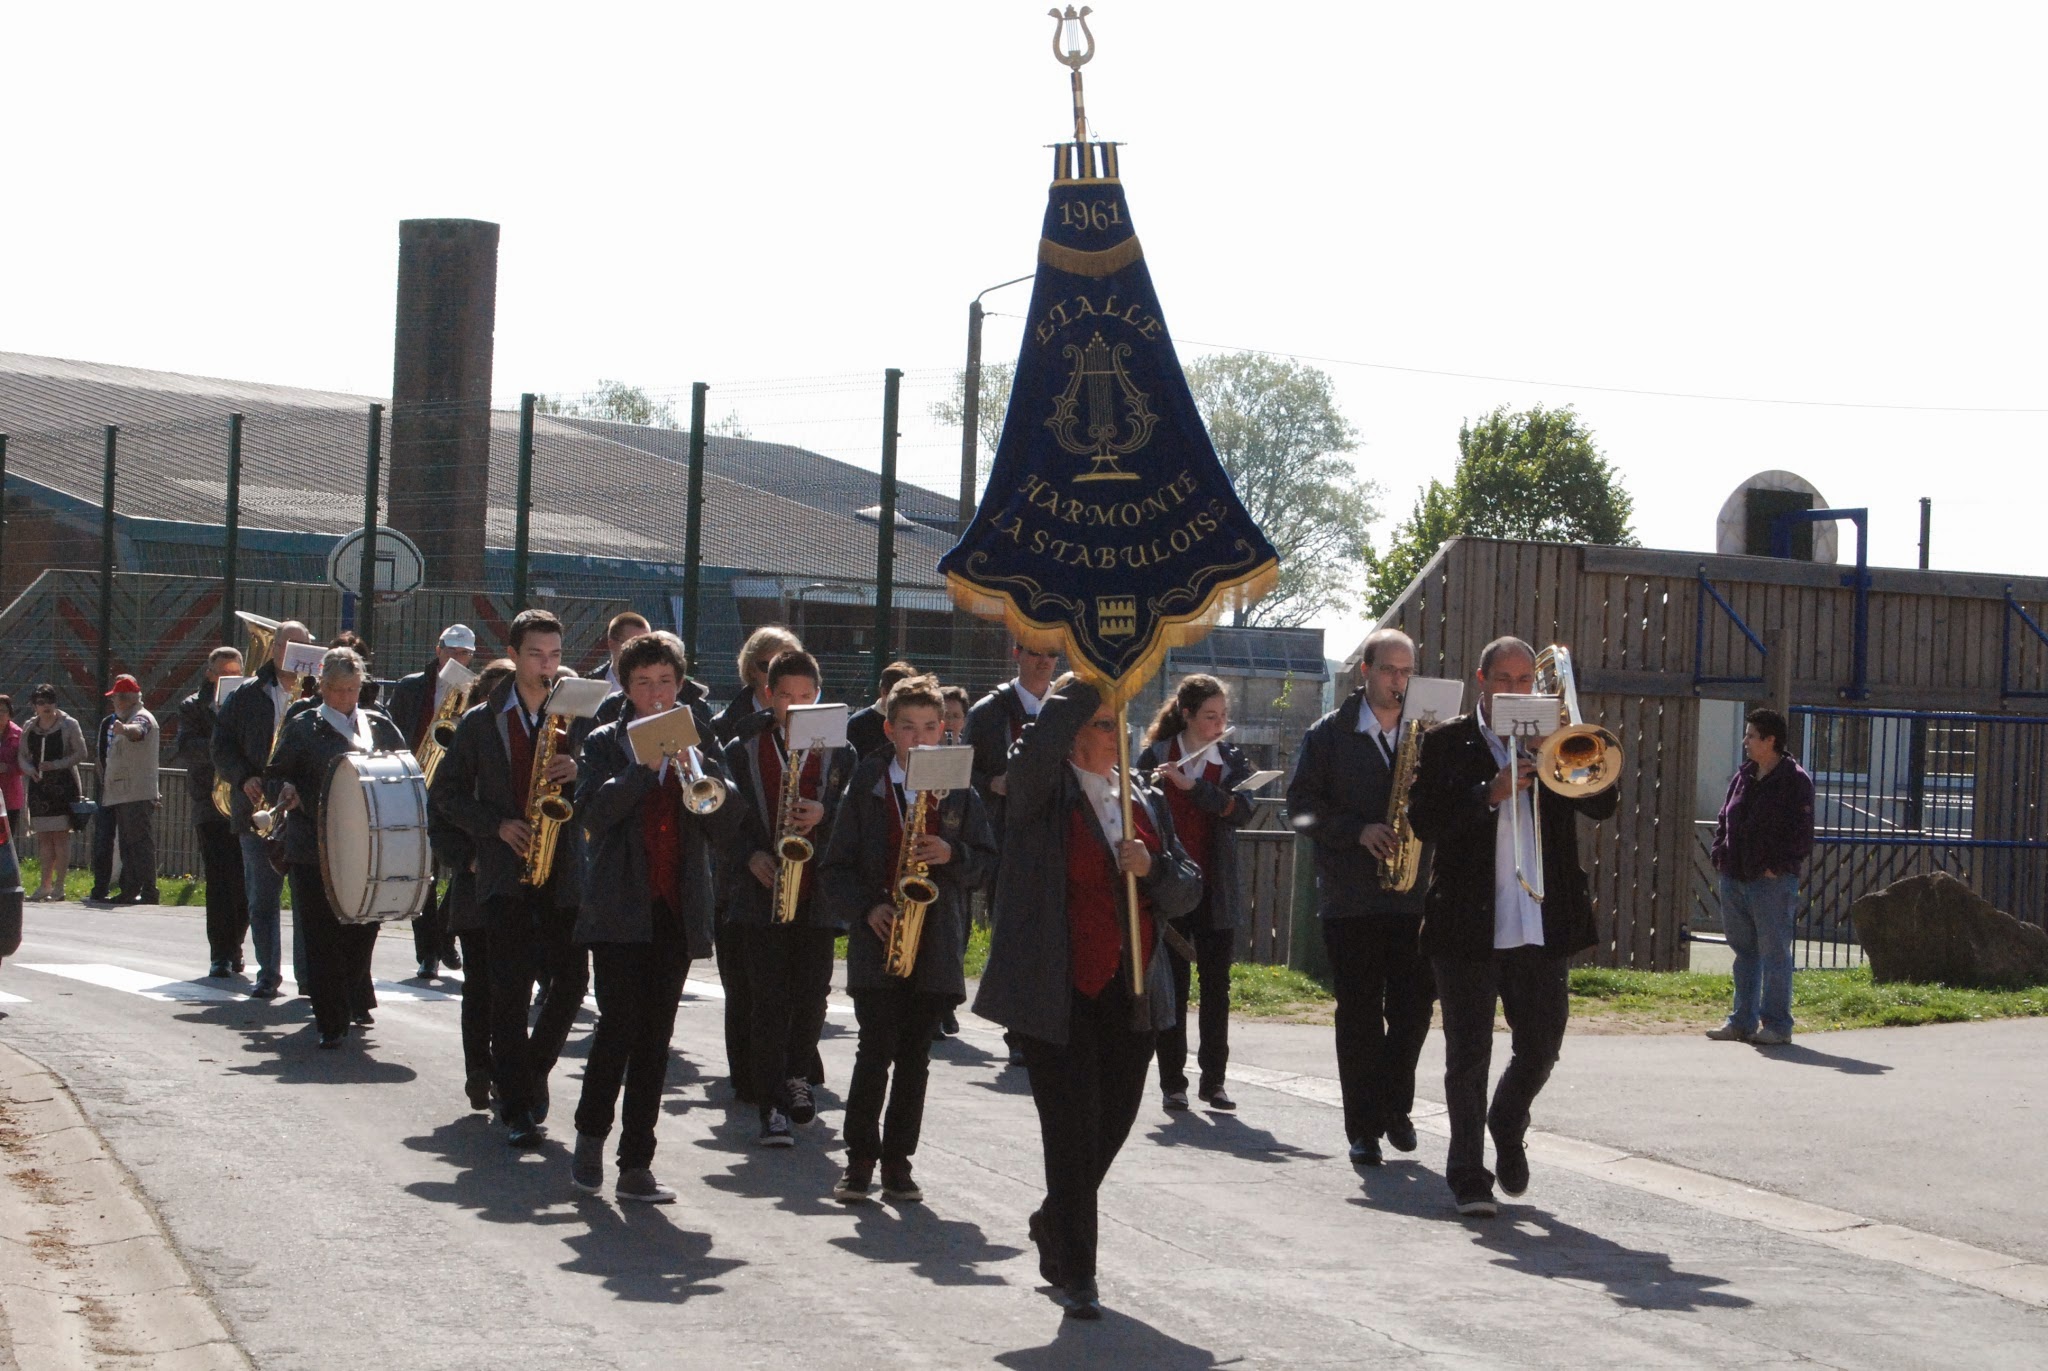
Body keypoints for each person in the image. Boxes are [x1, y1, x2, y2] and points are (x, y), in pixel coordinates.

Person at [972, 675, 1201, 1319]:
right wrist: (1095, 668)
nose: (1119, 734)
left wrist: (1152, 869)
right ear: (1073, 738)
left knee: (1115, 1120)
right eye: (1104, 724)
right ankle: (1081, 1273)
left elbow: (1188, 887)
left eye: (1120, 723)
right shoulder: (1042, 794)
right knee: (1070, 1134)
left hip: (1132, 990)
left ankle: (1055, 1217)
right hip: (1059, 990)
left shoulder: (1144, 800)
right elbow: (1036, 748)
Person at [1407, 636, 1618, 1218]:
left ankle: (1507, 1119)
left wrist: (1569, 750)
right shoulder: (1447, 741)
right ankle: (1466, 1173)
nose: (1516, 690)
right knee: (1467, 1055)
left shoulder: (1555, 741)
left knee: (1543, 1044)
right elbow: (1423, 819)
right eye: (1505, 679)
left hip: (1541, 922)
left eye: (1526, 680)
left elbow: (1603, 804)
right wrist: (1489, 793)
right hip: (1467, 925)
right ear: (1482, 680)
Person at [569, 631, 743, 1203]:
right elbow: (594, 813)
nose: (656, 693)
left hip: (674, 908)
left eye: (666, 682)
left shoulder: (698, 733)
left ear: (679, 683)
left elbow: (725, 819)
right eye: (643, 683)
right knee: (618, 1027)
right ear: (626, 687)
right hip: (620, 908)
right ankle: (591, 1136)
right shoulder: (602, 741)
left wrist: (702, 772)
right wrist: (644, 768)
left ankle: (636, 1162)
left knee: (656, 1038)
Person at [820, 674, 996, 1204]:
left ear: (944, 730)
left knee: (915, 1056)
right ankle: (858, 1161)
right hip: (879, 936)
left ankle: (898, 1162)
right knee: (873, 1050)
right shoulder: (867, 782)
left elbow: (987, 863)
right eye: (907, 728)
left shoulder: (960, 788)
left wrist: (953, 854)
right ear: (889, 730)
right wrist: (868, 907)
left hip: (936, 939)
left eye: (929, 727)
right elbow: (835, 869)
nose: (919, 739)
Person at [430, 609, 587, 1148]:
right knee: (510, 993)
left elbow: (605, 784)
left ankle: (528, 1072)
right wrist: (495, 826)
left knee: (571, 984)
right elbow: (444, 795)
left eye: (556, 655)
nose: (548, 666)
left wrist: (579, 773)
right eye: (537, 655)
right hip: (503, 873)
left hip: (561, 870)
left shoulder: (577, 716)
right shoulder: (480, 720)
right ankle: (516, 1107)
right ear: (515, 656)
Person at [1285, 627, 1435, 1166]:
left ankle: (1395, 1104)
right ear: (1365, 671)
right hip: (1351, 898)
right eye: (1390, 670)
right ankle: (1364, 1127)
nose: (1399, 681)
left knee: (1416, 1009)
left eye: (1406, 672)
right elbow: (1298, 807)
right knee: (1360, 1015)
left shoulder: (1425, 734)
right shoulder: (1328, 735)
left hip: (1412, 894)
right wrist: (1356, 831)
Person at [721, 648, 856, 1146]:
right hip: (761, 888)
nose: (797, 706)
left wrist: (826, 813)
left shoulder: (840, 749)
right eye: (786, 697)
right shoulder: (741, 747)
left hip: (817, 890)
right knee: (767, 997)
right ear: (768, 696)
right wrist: (748, 856)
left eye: (807, 696)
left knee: (813, 992)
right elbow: (722, 815)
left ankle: (798, 1076)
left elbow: (852, 812)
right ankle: (770, 1101)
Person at [267, 647, 406, 1048]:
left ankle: (352, 992)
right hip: (313, 845)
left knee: (364, 926)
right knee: (321, 933)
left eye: (351, 689)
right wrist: (285, 789)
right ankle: (332, 1018)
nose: (344, 697)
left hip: (370, 847)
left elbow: (403, 769)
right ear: (322, 686)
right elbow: (276, 775)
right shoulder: (303, 726)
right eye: (336, 689)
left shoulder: (379, 725)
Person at [1138, 674, 1252, 1113]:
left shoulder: (1231, 760)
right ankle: (1173, 1083)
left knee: (1216, 988)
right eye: (1209, 717)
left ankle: (1215, 1082)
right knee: (1173, 986)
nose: (1219, 725)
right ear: (1186, 715)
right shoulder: (1156, 757)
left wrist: (1196, 788)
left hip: (1216, 888)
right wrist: (1162, 782)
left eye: (1223, 716)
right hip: (1170, 887)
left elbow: (1241, 809)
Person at [967, 642, 1061, 1065]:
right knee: (1012, 927)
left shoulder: (1067, 707)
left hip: (1055, 833)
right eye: (1037, 653)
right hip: (1006, 833)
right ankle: (1017, 1030)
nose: (1045, 662)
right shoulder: (989, 712)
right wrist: (992, 783)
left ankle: (1047, 1021)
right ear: (1016, 654)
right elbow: (963, 769)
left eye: (1053, 655)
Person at [212, 619, 314, 998]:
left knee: (306, 899)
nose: (297, 654)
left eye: (305, 646)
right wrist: (241, 778)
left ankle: (308, 978)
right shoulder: (247, 695)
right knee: (262, 897)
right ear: (274, 649)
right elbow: (220, 745)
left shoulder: (319, 695)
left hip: (302, 808)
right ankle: (268, 974)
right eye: (290, 645)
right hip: (256, 805)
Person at [433, 656, 516, 1114]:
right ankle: (478, 1070)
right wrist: (464, 860)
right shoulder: (470, 735)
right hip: (474, 884)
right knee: (480, 984)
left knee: (511, 986)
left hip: (517, 885)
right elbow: (440, 813)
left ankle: (507, 1071)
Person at [1708, 707, 1816, 1048]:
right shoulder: (1744, 776)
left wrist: (1778, 866)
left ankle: (1778, 1025)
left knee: (1775, 953)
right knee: (1745, 952)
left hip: (1770, 882)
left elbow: (1802, 833)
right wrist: (1720, 852)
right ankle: (1741, 1021)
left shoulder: (1794, 780)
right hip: (1735, 875)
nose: (1746, 741)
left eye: (1752, 735)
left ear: (1771, 741)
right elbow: (1726, 816)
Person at [386, 623, 479, 980]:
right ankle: (427, 952)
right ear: (438, 650)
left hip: (456, 791)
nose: (458, 658)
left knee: (463, 868)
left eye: (465, 653)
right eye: (452, 650)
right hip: (416, 786)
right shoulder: (411, 687)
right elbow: (394, 733)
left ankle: (444, 931)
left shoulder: (475, 691)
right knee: (424, 874)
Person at [177, 648, 249, 976]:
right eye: (223, 673)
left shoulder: (251, 706)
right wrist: (222, 744)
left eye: (235, 673)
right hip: (209, 802)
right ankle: (220, 953)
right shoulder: (193, 706)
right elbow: (186, 749)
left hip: (245, 799)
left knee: (245, 880)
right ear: (210, 674)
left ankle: (236, 943)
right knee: (220, 879)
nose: (228, 679)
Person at [88, 674, 160, 906]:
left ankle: (148, 891)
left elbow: (139, 731)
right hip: (124, 793)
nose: (113, 703)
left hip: (135, 793)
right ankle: (131, 890)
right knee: (131, 844)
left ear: (127, 699)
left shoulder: (141, 717)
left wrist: (125, 729)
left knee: (138, 844)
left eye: (116, 699)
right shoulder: (122, 718)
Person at [22, 685, 88, 902]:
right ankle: (44, 886)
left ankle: (59, 887)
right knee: (44, 839)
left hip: (63, 787)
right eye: (41, 702)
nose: (46, 705)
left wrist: (57, 764)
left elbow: (81, 753)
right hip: (39, 788)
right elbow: (22, 756)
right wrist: (30, 770)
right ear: (34, 706)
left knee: (60, 837)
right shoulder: (30, 727)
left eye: (49, 700)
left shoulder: (69, 724)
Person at [713, 625, 802, 745]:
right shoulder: (723, 725)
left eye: (789, 666)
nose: (779, 674)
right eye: (768, 667)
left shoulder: (820, 722)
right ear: (751, 669)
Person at [845, 660, 916, 760]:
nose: (907, 703)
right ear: (884, 692)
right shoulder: (858, 723)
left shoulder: (917, 722)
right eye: (901, 697)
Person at [0, 696, 26, 841]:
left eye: (3, 710)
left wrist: (8, 768)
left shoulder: (18, 734)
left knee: (6, 840)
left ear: (10, 713)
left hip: (10, 796)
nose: (0, 714)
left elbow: (25, 765)